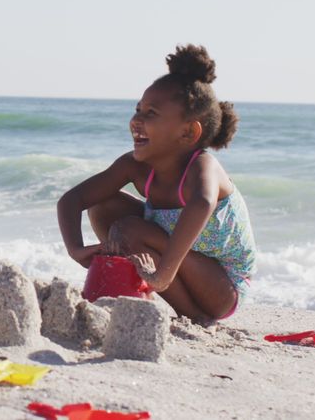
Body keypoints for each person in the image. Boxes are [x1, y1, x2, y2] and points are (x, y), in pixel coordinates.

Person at [56, 45, 256, 322]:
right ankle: (135, 288)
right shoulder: (134, 166)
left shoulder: (202, 166)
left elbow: (202, 202)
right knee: (103, 205)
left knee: (129, 229)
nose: (136, 120)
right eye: (137, 110)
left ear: (188, 132)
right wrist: (76, 250)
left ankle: (194, 314)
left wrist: (162, 276)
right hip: (170, 263)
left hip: (222, 287)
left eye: (151, 113)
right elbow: (72, 200)